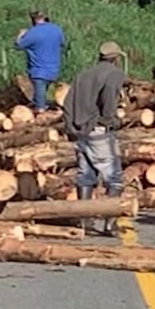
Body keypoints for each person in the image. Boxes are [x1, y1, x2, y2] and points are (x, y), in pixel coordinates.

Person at [63, 41, 128, 235]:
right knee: (113, 178)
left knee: (86, 176)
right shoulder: (114, 74)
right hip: (99, 130)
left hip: (80, 131)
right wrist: (111, 119)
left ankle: (85, 221)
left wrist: (70, 127)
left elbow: (68, 102)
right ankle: (110, 223)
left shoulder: (83, 75)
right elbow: (109, 97)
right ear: (115, 58)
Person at [13, 11, 66, 111]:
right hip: (54, 69)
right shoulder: (56, 29)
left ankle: (40, 115)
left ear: (33, 20)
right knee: (40, 96)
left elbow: (17, 45)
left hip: (38, 72)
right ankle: (39, 105)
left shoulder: (33, 33)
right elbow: (63, 43)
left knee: (40, 105)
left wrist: (20, 35)